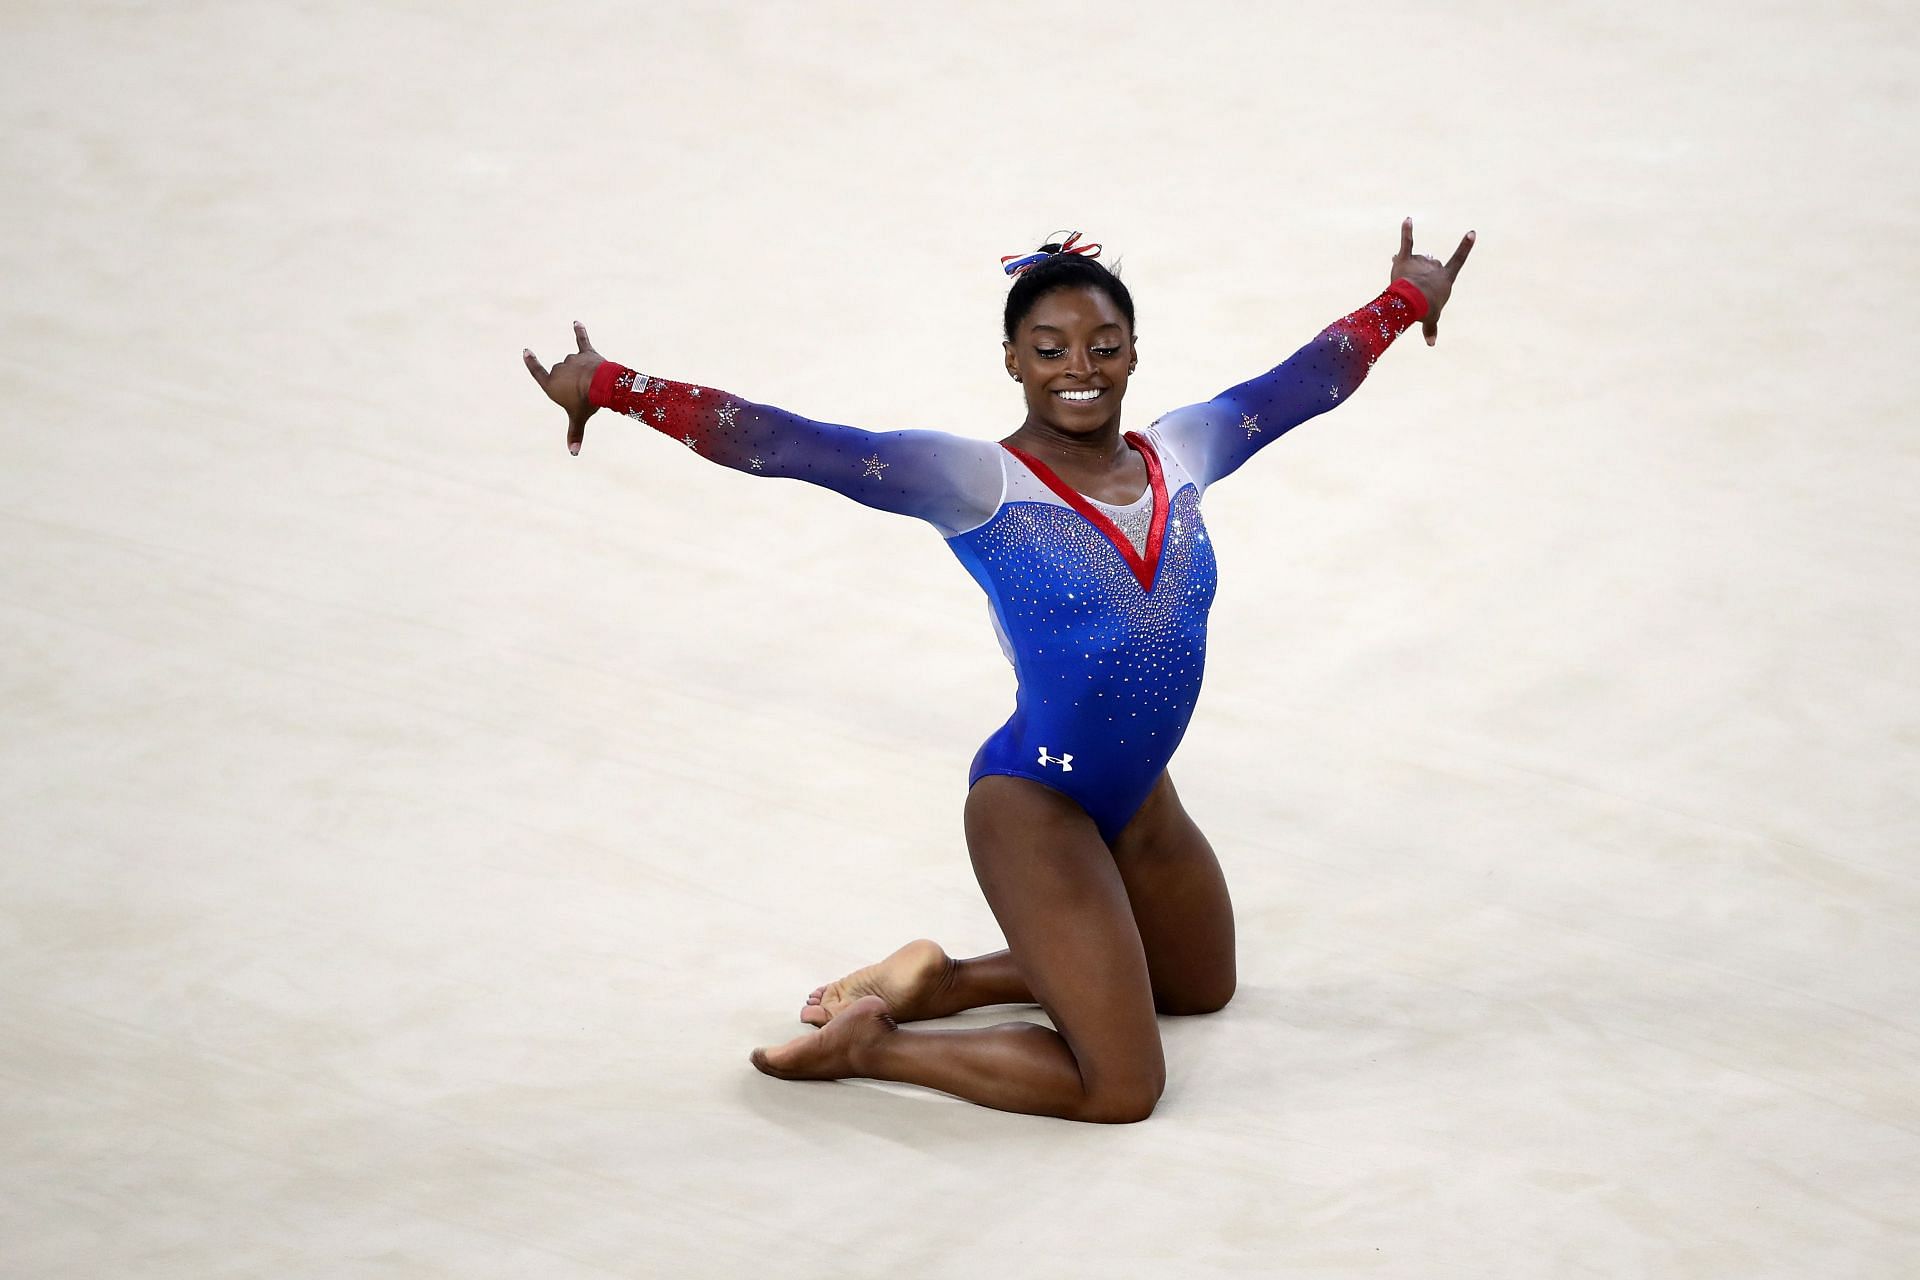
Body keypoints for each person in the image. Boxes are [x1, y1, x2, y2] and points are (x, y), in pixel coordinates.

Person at [523, 218, 1474, 1123]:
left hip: (1140, 796)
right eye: (1050, 348)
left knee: (1200, 987)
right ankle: (871, 1047)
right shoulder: (978, 482)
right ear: (1013, 361)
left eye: (1104, 346)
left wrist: (1403, 300)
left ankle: (943, 981)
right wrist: (613, 384)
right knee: (1121, 1088)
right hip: (1036, 807)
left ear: (1135, 352)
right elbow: (788, 446)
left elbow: (1306, 381)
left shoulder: (1184, 451)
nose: (1079, 370)